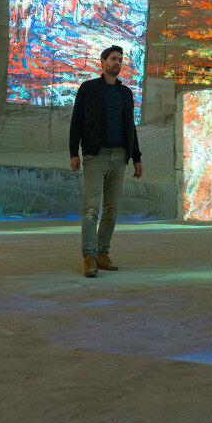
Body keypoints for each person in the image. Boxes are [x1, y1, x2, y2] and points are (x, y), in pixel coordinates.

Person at [69, 45, 142, 278]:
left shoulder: (125, 93)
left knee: (111, 209)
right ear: (102, 62)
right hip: (95, 156)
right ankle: (89, 256)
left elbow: (131, 128)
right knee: (91, 208)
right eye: (113, 59)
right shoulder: (88, 89)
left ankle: (103, 253)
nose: (117, 63)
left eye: (120, 60)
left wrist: (136, 158)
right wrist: (74, 152)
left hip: (120, 156)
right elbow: (76, 121)